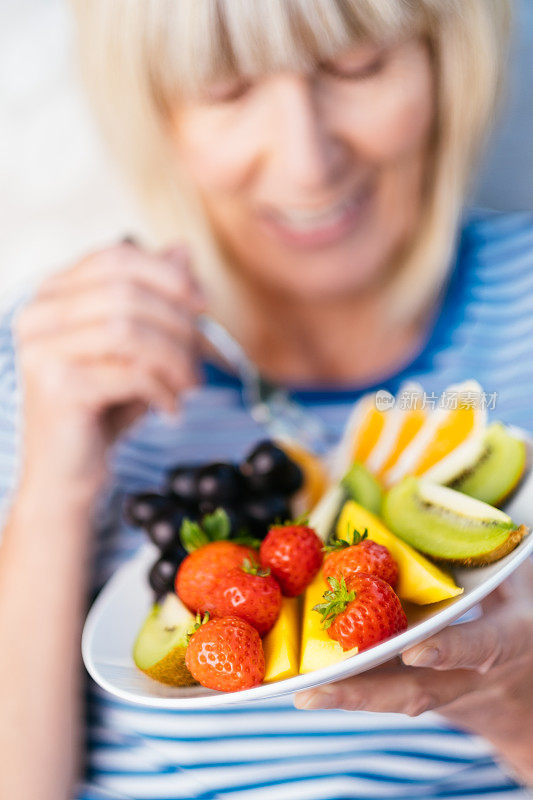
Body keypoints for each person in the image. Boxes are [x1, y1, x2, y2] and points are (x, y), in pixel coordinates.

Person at [1, 1, 533, 798]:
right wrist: (56, 487)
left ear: (446, 58)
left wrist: (517, 714)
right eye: (225, 87)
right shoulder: (57, 363)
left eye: (357, 63)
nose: (306, 161)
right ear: (155, 112)